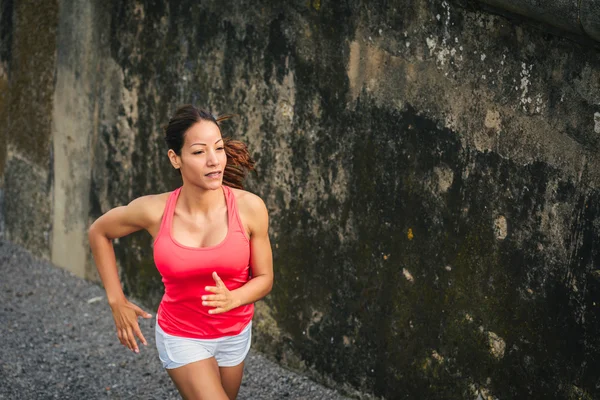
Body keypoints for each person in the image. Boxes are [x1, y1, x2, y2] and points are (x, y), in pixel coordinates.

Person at [88, 104, 274, 400]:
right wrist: (116, 300)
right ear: (176, 159)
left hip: (234, 335)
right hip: (182, 334)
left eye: (218, 148)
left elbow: (265, 277)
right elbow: (99, 231)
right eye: (199, 152)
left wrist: (234, 298)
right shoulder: (154, 210)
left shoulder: (250, 208)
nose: (214, 161)